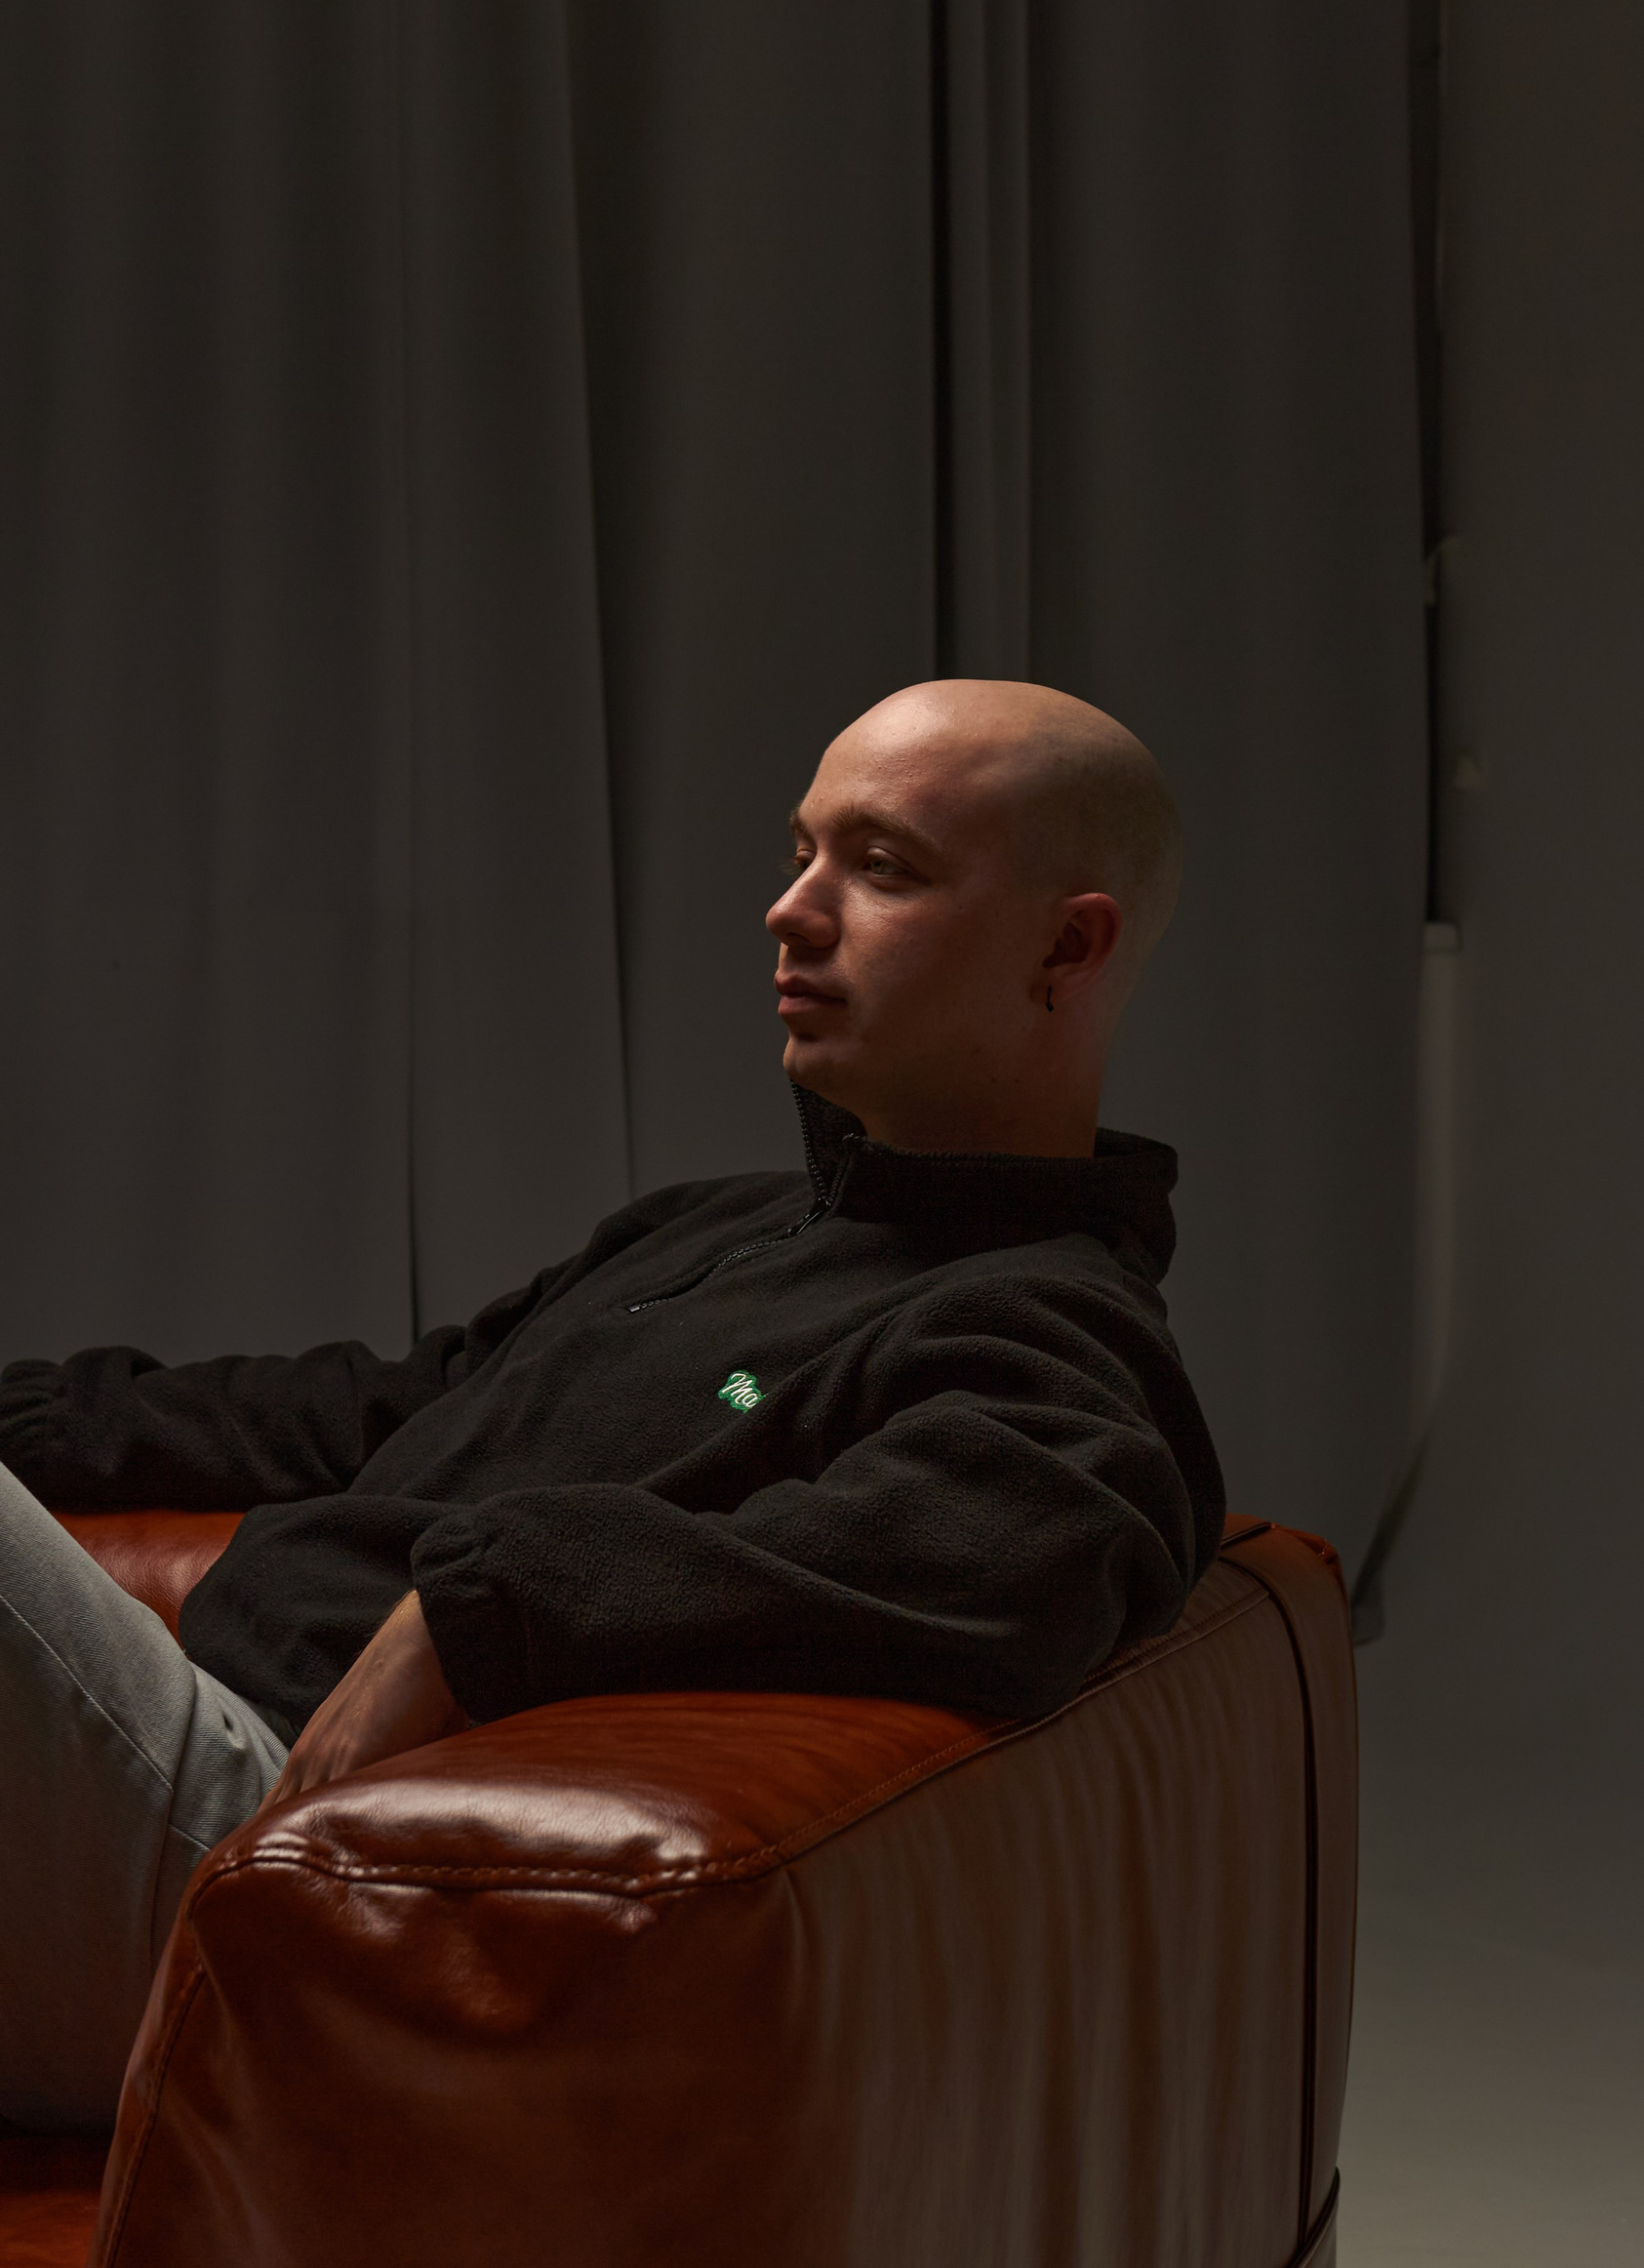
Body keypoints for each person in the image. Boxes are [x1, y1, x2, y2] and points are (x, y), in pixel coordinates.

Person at [0, 677, 1223, 2128]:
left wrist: (481, 1603)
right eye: (803, 852)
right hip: (160, 1781)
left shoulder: (1046, 1319)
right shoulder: (713, 1227)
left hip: (257, 1850)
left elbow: (1027, 1546)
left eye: (883, 867)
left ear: (1066, 948)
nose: (791, 911)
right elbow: (388, 1405)